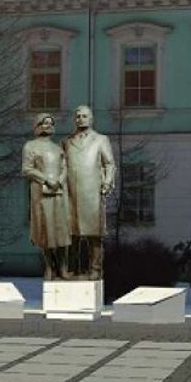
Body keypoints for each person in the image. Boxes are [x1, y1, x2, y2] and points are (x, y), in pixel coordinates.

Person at [61, 105, 116, 279]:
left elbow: (109, 163)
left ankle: (95, 269)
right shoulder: (66, 141)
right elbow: (62, 166)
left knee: (94, 234)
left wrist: (107, 183)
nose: (80, 119)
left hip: (92, 193)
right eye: (78, 116)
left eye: (84, 116)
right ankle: (73, 268)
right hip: (71, 193)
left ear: (91, 119)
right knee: (72, 235)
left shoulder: (101, 140)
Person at [23, 112, 71, 280]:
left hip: (59, 192)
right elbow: (27, 169)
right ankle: (50, 266)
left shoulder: (58, 148)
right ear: (37, 125)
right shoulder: (30, 146)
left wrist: (60, 180)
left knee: (62, 231)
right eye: (45, 122)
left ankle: (63, 267)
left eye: (51, 123)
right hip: (41, 193)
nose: (49, 125)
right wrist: (46, 179)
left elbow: (65, 167)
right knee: (46, 230)